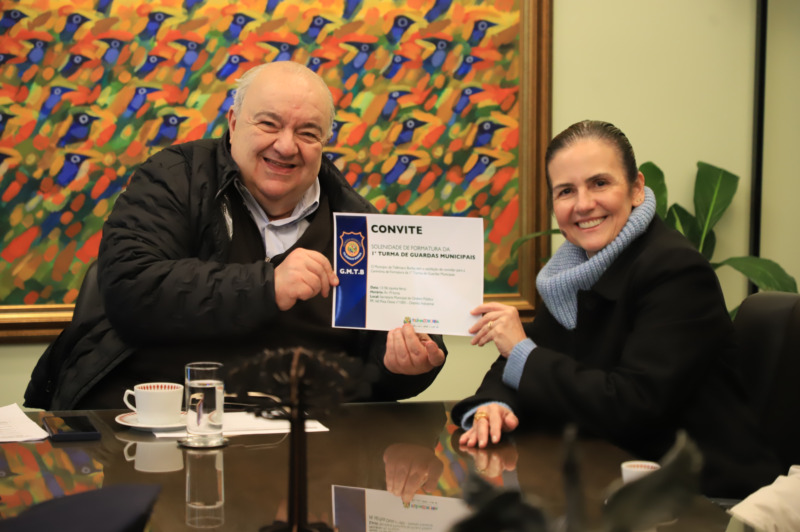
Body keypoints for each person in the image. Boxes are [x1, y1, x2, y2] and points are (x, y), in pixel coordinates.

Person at [25, 61, 446, 410]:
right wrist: (268, 284)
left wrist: (402, 369)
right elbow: (132, 289)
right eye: (269, 123)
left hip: (303, 445)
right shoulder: (175, 178)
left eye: (307, 132)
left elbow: (379, 370)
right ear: (232, 121)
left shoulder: (357, 222)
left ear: (325, 142)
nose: (286, 146)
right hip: (152, 426)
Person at [452, 120, 781, 498]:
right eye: (565, 191)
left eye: (599, 183)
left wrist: (522, 352)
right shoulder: (572, 271)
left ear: (637, 188)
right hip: (609, 482)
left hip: (701, 498)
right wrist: (493, 406)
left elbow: (632, 406)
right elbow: (518, 363)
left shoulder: (676, 270)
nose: (583, 204)